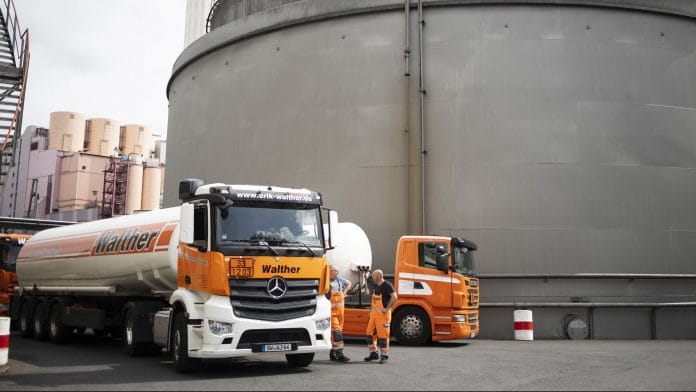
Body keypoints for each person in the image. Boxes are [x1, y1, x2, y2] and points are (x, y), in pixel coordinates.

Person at [364, 269, 397, 364]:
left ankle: (384, 355)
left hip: (383, 316)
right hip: (374, 315)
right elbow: (373, 300)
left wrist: (387, 309)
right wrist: (371, 311)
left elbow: (394, 297)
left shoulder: (387, 285)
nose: (372, 277)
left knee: (383, 336)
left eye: (374, 276)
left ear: (378, 276)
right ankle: (373, 353)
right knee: (369, 334)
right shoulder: (375, 286)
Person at [327, 264, 352, 362]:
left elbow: (349, 283)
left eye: (337, 270)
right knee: (337, 333)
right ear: (329, 271)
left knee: (337, 333)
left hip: (341, 312)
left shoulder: (339, 279)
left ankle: (332, 353)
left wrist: (345, 291)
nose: (337, 272)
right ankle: (340, 354)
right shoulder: (326, 282)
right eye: (334, 270)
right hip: (332, 312)